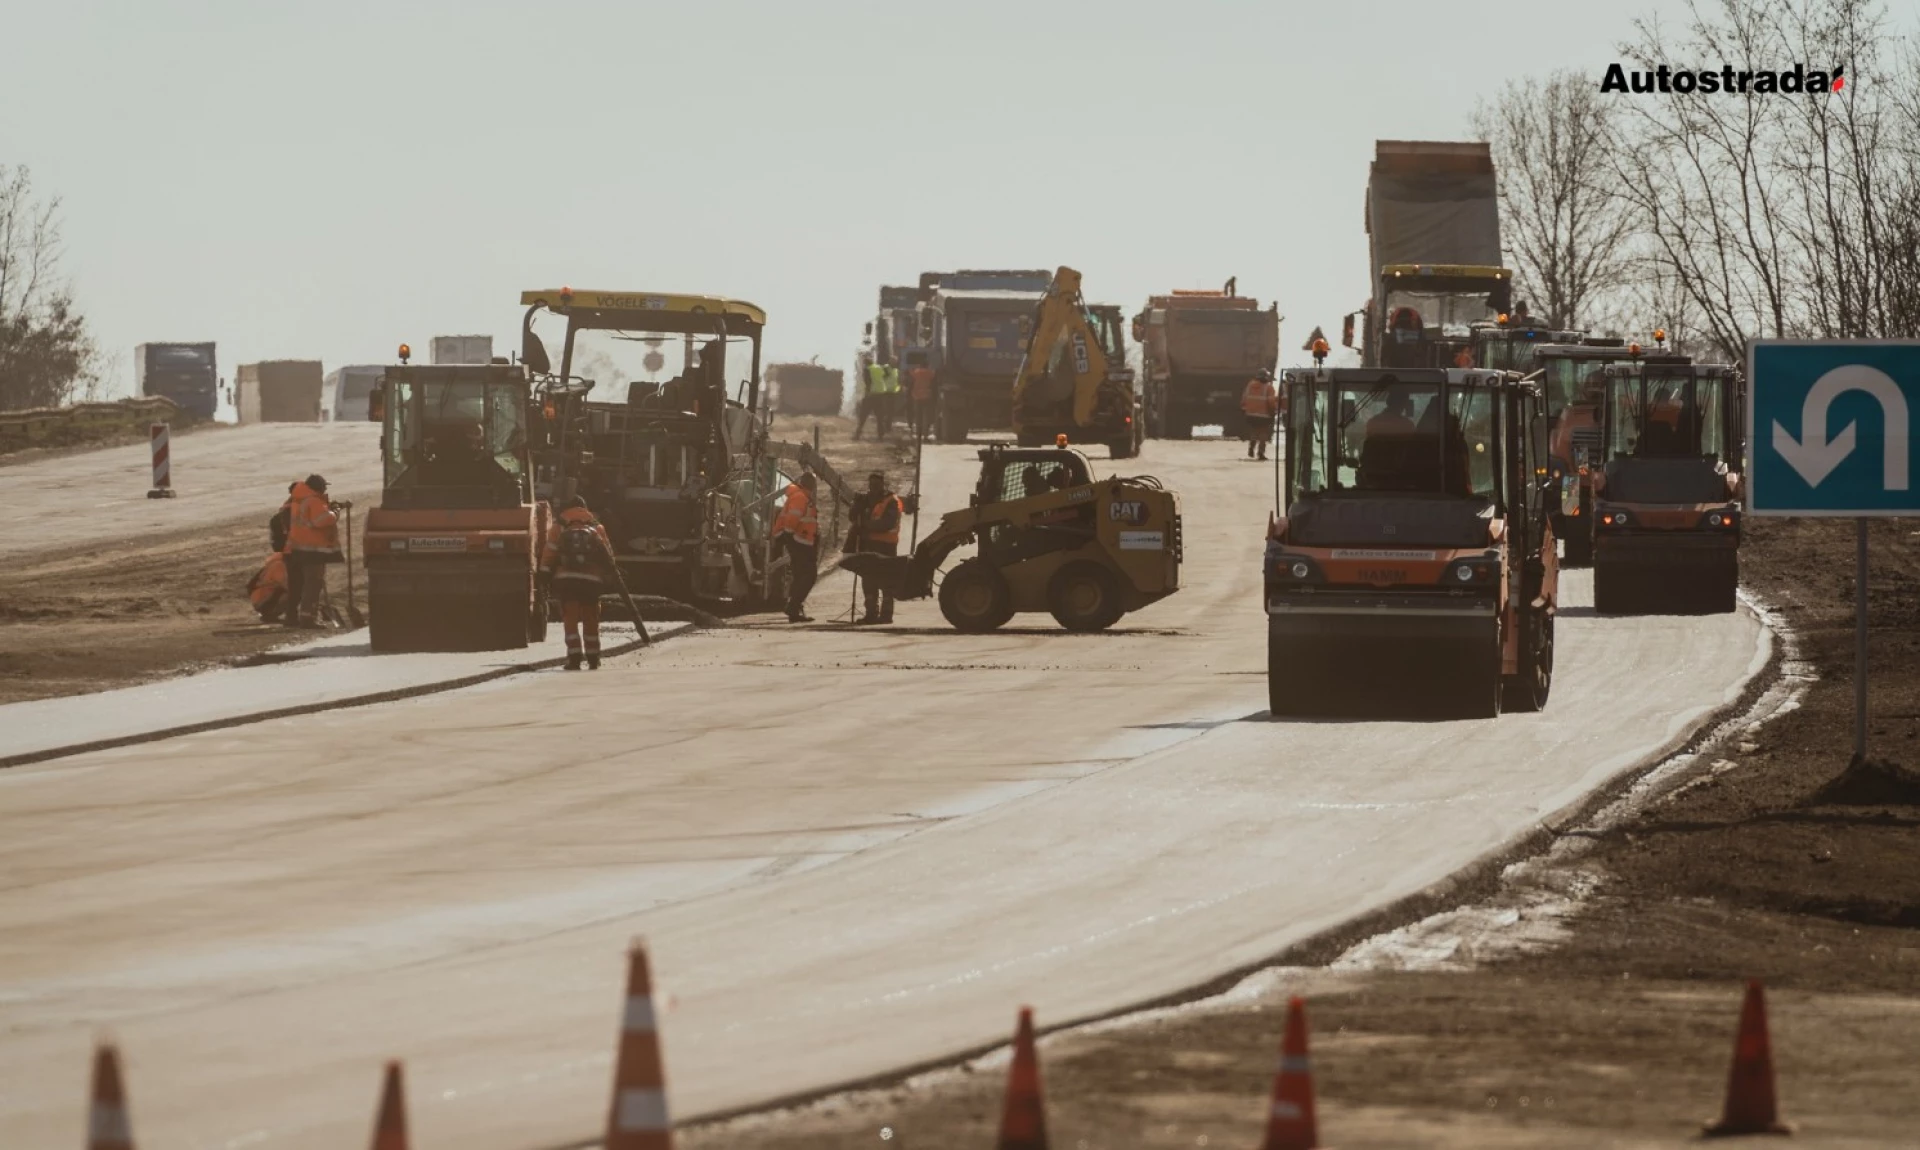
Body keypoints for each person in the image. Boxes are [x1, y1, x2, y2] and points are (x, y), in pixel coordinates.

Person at [541, 495, 616, 670]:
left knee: (570, 619)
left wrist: (544, 575)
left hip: (567, 582)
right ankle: (593, 658)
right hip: (591, 582)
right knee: (591, 618)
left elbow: (549, 553)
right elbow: (608, 556)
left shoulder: (558, 527)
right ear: (585, 509)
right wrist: (610, 576)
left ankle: (574, 658)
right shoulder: (597, 527)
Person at [283, 474, 342, 628]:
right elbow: (321, 520)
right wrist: (335, 512)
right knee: (313, 584)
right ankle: (308, 619)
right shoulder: (313, 501)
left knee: (299, 584)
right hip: (312, 550)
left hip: (298, 548)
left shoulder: (298, 500)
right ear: (318, 487)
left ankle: (295, 617)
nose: (325, 490)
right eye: (324, 487)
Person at [855, 472, 904, 625]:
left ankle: (886, 614)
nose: (873, 487)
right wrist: (857, 506)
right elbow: (853, 518)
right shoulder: (866, 500)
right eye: (871, 484)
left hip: (886, 547)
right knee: (869, 580)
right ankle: (871, 613)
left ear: (883, 484)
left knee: (886, 581)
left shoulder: (892, 501)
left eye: (876, 484)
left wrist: (866, 526)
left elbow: (887, 524)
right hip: (869, 545)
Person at [770, 472, 819, 622]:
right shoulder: (800, 497)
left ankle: (794, 609)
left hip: (800, 539)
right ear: (811, 484)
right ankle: (793, 606)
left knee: (800, 575)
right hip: (798, 539)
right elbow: (793, 518)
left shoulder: (800, 495)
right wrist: (790, 535)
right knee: (809, 575)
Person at [1241, 369, 1279, 461]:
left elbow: (1244, 399)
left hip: (1251, 414)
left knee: (1254, 432)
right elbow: (1271, 402)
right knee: (1263, 434)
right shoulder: (1269, 388)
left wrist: (1244, 410)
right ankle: (1260, 453)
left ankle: (1251, 448)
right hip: (1264, 415)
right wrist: (1274, 411)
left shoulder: (1250, 385)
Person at [906, 353, 935, 441]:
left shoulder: (917, 372)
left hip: (917, 397)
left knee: (918, 417)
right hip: (927, 396)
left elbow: (910, 372)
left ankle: (918, 435)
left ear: (920, 365)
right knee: (926, 417)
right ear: (927, 365)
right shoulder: (930, 373)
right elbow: (934, 374)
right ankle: (925, 436)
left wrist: (911, 365)